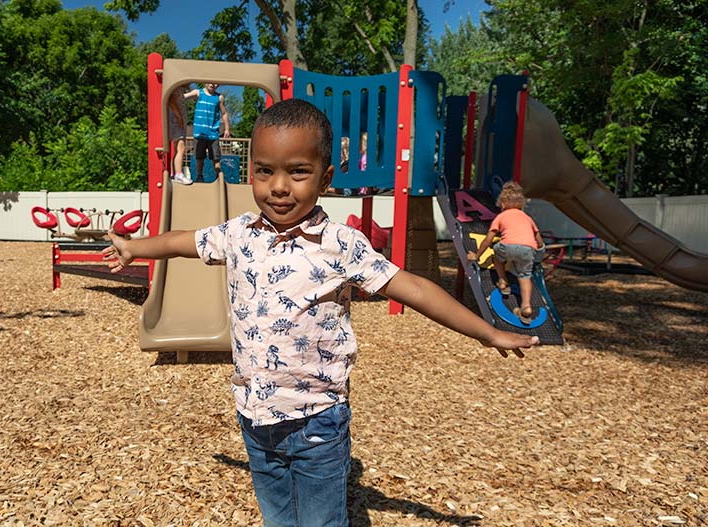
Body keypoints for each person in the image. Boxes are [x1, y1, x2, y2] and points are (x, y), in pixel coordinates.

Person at [103, 99, 538, 527]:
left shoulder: (340, 245)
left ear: (325, 178)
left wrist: (487, 332)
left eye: (297, 172)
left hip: (316, 420)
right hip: (255, 415)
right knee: (277, 518)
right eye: (264, 170)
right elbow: (184, 241)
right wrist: (134, 247)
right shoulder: (239, 233)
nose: (278, 186)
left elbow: (415, 289)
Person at [467, 181, 545, 325]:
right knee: (525, 276)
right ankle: (526, 307)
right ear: (522, 204)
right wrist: (540, 253)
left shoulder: (501, 217)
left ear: (502, 204)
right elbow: (539, 241)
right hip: (528, 249)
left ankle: (503, 281)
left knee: (497, 256)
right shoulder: (527, 218)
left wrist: (476, 256)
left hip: (507, 247)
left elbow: (488, 240)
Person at [184, 82, 231, 182]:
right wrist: (176, 96)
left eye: (216, 83)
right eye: (210, 82)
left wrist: (227, 128)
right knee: (199, 157)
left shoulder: (219, 98)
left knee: (215, 157)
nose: (213, 84)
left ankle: (218, 176)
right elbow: (185, 97)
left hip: (212, 133)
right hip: (199, 132)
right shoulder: (198, 93)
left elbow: (224, 113)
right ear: (205, 82)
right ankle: (199, 175)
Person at [168, 85, 192, 185]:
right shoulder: (176, 88)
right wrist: (179, 117)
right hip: (176, 121)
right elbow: (172, 101)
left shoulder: (180, 90)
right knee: (181, 148)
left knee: (177, 149)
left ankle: (174, 173)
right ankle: (178, 174)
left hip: (177, 121)